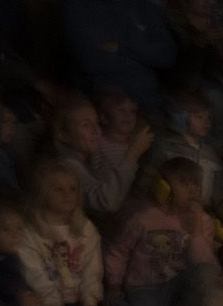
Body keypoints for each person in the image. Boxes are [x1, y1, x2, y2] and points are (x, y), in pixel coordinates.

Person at [60, 0, 176, 119]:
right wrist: (145, 53)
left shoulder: (145, 6)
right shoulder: (81, 6)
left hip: (150, 106)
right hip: (106, 111)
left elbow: (167, 54)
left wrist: (123, 47)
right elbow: (91, 60)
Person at [102, 157, 216, 306]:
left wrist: (196, 226)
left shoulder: (202, 220)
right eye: (184, 183)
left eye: (196, 183)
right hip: (146, 286)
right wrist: (113, 284)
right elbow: (118, 251)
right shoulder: (143, 216)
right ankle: (111, 304)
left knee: (206, 271)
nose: (192, 189)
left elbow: (201, 262)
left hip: (178, 284)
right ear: (164, 186)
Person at [18, 158, 106, 306]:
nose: (67, 194)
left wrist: (90, 303)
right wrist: (55, 304)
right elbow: (34, 273)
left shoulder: (85, 229)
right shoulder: (31, 232)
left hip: (77, 300)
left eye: (72, 189)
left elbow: (92, 270)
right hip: (46, 301)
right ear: (42, 193)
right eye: (59, 189)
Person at [52, 93, 151, 222]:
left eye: (96, 123)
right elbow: (107, 202)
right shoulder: (67, 167)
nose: (96, 131)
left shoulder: (87, 160)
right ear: (63, 134)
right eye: (86, 125)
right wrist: (133, 154)